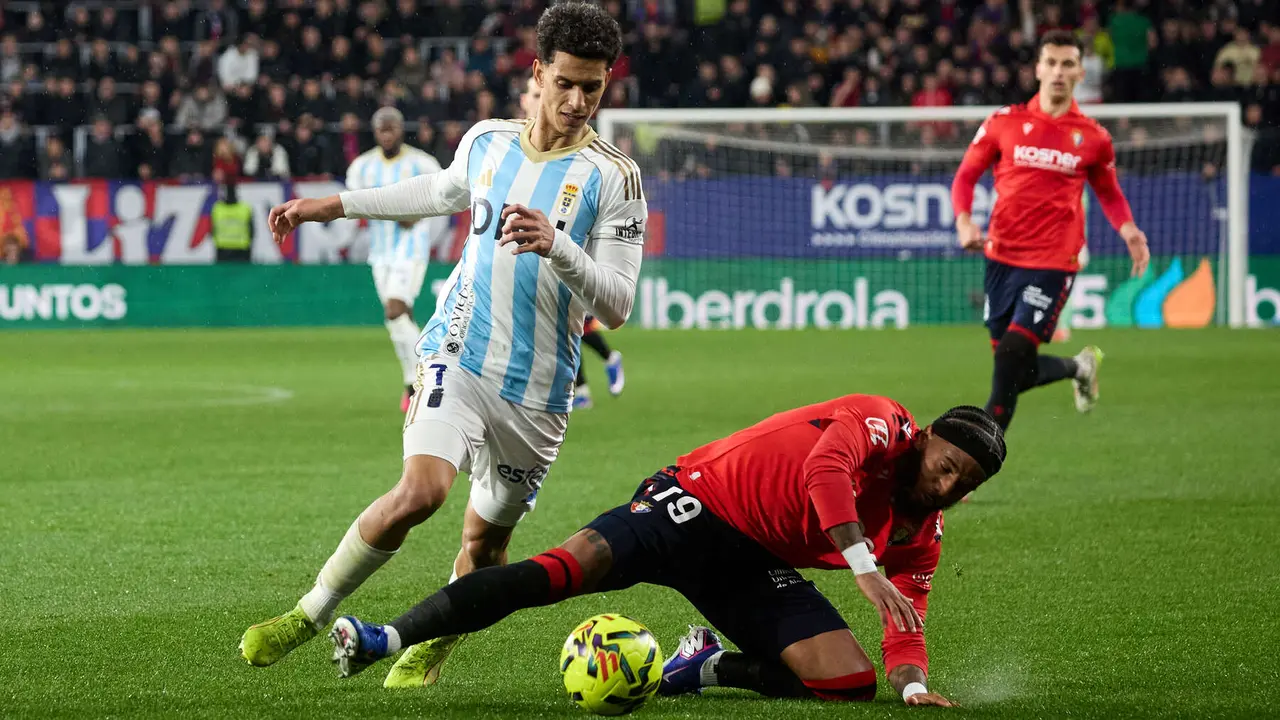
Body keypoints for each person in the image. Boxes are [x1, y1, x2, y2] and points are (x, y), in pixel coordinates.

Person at [241, 1, 646, 691]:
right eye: (566, 83)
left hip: (540, 391)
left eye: (594, 87)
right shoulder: (487, 140)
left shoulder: (617, 178)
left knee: (485, 545)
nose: (579, 101)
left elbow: (617, 303)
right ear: (539, 72)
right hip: (459, 351)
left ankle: (432, 642)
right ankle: (310, 613)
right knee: (421, 492)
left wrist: (559, 246)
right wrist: (331, 204)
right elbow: (433, 191)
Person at [328, 397, 1006, 708]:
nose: (946, 486)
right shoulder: (877, 421)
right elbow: (823, 474)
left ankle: (706, 668)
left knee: (847, 682)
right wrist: (862, 566)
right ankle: (384, 638)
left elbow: (906, 624)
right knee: (560, 572)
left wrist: (912, 685)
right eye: (945, 466)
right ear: (922, 440)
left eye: (962, 484)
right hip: (689, 503)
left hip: (746, 557)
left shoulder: (923, 536)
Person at [951, 29, 1150, 431]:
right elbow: (965, 178)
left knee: (1010, 358)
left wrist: (1128, 229)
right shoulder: (1003, 123)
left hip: (1054, 261)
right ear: (1038, 68)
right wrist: (964, 219)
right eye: (1052, 63)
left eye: (1068, 64)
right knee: (1014, 371)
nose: (1059, 72)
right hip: (1001, 257)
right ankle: (1079, 366)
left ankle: (976, 464)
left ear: (1080, 72)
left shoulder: (1093, 138)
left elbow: (1109, 193)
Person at [517, 72, 624, 409]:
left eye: (541, 95)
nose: (539, 101)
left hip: (564, 244)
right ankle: (585, 385)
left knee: (568, 321)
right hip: (532, 244)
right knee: (558, 323)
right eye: (533, 96)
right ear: (524, 101)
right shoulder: (510, 145)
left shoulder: (579, 153)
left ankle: (591, 377)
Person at [344, 106, 451, 411]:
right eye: (381, 129)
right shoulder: (362, 167)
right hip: (381, 252)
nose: (387, 134)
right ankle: (412, 381)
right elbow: (353, 203)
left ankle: (429, 373)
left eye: (392, 128)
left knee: (394, 309)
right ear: (375, 132)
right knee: (400, 319)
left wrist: (415, 212)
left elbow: (442, 197)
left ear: (401, 130)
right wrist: (388, 210)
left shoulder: (422, 163)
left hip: (411, 248)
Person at [211, 182, 254, 263]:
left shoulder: (217, 208)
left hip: (223, 248)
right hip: (242, 248)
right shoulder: (245, 208)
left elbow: (212, 229)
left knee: (222, 275)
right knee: (243, 275)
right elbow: (252, 230)